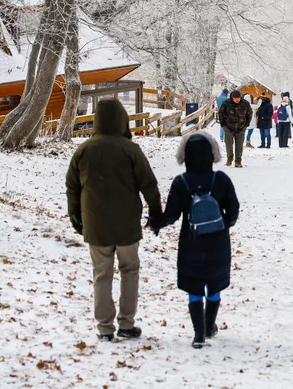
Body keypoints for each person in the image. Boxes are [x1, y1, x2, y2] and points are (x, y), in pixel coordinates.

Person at [65, 99, 162, 342]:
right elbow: (149, 185)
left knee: (102, 274)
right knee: (130, 270)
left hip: (95, 224)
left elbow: (72, 186)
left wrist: (74, 215)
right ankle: (127, 324)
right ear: (122, 120)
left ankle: (105, 328)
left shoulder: (84, 150)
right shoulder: (131, 150)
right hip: (127, 223)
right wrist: (155, 213)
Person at [152, 132, 239, 349]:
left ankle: (198, 334)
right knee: (214, 283)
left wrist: (156, 223)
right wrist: (223, 225)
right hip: (218, 242)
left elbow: (171, 216)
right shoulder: (221, 179)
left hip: (191, 241)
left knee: (194, 286)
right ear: (212, 155)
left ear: (185, 156)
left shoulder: (181, 183)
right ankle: (210, 326)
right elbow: (234, 210)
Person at [217, 89, 252, 168]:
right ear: (232, 98)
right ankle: (230, 157)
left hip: (241, 127)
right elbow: (221, 113)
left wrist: (246, 124)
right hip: (228, 126)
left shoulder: (245, 104)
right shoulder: (226, 103)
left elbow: (249, 113)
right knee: (228, 142)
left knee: (239, 144)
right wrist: (223, 124)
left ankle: (238, 161)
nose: (237, 100)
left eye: (238, 98)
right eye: (235, 98)